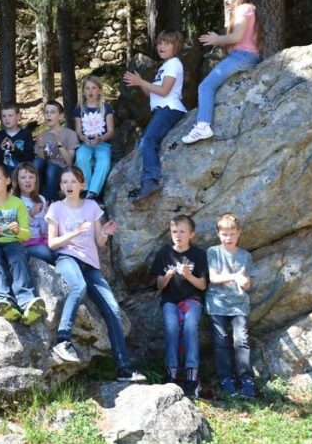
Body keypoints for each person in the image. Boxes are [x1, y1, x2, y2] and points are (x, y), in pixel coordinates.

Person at [46, 168, 145, 382]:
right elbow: (52, 243)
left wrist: (105, 233)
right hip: (67, 258)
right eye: (64, 182)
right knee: (78, 287)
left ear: (82, 184)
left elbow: (99, 242)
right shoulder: (56, 208)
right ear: (60, 186)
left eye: (73, 181)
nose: (69, 185)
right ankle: (63, 340)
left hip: (90, 264)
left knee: (113, 309)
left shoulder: (91, 207)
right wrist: (74, 233)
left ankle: (124, 369)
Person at [182, 0, 261, 144]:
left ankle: (203, 126)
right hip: (246, 55)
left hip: (242, 56)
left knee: (206, 86)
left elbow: (236, 37)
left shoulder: (242, 9)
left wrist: (217, 39)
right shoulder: (247, 9)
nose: (226, 0)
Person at [0, 164, 46, 323]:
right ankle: (3, 300)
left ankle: (26, 301)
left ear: (7, 181)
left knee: (18, 258)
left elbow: (26, 234)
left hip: (13, 241)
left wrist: (17, 230)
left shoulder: (17, 203)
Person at [124, 30, 188, 204]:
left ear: (176, 47)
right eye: (160, 43)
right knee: (143, 143)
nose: (161, 46)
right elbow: (152, 93)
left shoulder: (174, 64)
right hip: (161, 109)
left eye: (167, 43)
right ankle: (147, 181)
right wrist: (140, 82)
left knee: (148, 141)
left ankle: (150, 181)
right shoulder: (164, 66)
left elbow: (165, 91)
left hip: (170, 109)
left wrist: (141, 82)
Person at [150, 214, 208, 398]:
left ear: (191, 234)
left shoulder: (198, 255)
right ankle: (171, 373)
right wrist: (167, 276)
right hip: (170, 300)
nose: (178, 235)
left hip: (192, 299)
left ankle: (192, 376)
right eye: (174, 231)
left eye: (182, 231)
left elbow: (203, 285)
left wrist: (188, 276)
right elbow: (159, 285)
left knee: (190, 327)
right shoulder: (164, 253)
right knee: (171, 327)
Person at [206, 213, 256, 399]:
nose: (228, 238)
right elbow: (213, 278)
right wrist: (235, 276)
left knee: (241, 340)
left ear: (239, 233)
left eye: (232, 234)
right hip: (217, 304)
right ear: (218, 233)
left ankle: (247, 379)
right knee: (221, 342)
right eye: (224, 234)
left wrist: (244, 282)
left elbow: (248, 284)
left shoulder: (245, 256)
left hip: (239, 305)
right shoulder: (213, 252)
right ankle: (226, 378)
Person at [72, 76, 114, 199]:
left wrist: (101, 139)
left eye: (94, 88)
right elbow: (78, 131)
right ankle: (85, 189)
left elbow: (111, 131)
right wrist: (83, 137)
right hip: (85, 143)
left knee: (104, 160)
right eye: (87, 88)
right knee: (81, 157)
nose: (90, 91)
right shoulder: (79, 109)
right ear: (83, 91)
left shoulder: (106, 108)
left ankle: (93, 192)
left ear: (99, 91)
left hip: (102, 143)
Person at [34, 101, 79, 202]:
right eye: (46, 112)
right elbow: (41, 161)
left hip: (61, 170)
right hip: (46, 169)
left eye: (52, 112)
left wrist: (59, 142)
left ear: (61, 116)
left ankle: (52, 202)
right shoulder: (42, 135)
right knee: (36, 163)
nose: (48, 115)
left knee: (52, 169)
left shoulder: (70, 134)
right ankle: (36, 198)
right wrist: (40, 146)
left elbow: (69, 162)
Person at [14, 163, 55, 264]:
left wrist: (47, 217)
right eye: (23, 177)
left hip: (40, 240)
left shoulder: (41, 199)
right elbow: (14, 230)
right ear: (17, 181)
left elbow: (43, 231)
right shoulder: (13, 201)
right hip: (23, 244)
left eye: (31, 177)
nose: (28, 180)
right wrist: (30, 214)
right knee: (45, 253)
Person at [0, 103, 33, 175]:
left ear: (18, 116)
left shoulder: (26, 134)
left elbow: (29, 158)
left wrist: (14, 149)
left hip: (21, 174)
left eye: (10, 115)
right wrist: (1, 149)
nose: (7, 119)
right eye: (4, 116)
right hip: (3, 175)